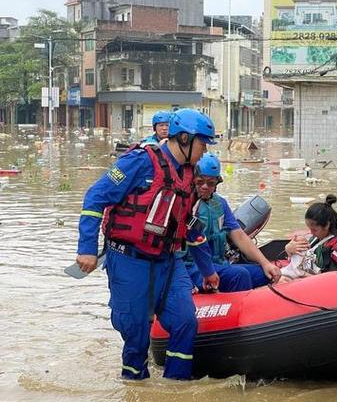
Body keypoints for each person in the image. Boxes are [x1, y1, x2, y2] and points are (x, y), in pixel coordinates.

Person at [75, 108, 218, 381]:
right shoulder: (139, 162)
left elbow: (187, 224)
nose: (205, 150)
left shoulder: (190, 174)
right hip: (129, 259)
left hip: (168, 261)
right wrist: (86, 249)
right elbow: (95, 197)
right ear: (185, 139)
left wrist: (207, 269)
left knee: (185, 321)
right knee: (136, 334)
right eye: (203, 143)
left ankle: (176, 389)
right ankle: (135, 387)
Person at [185, 153, 281, 293]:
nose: (205, 187)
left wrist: (266, 263)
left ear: (217, 183)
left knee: (263, 274)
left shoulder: (220, 204)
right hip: (193, 267)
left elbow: (240, 236)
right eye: (200, 182)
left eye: (210, 183)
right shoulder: (185, 204)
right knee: (239, 275)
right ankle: (242, 311)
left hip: (219, 264)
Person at [282, 194, 337, 279]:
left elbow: (329, 280)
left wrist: (302, 274)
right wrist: (288, 249)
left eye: (314, 230)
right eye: (309, 229)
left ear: (326, 225)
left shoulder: (332, 250)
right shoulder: (320, 237)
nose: (311, 233)